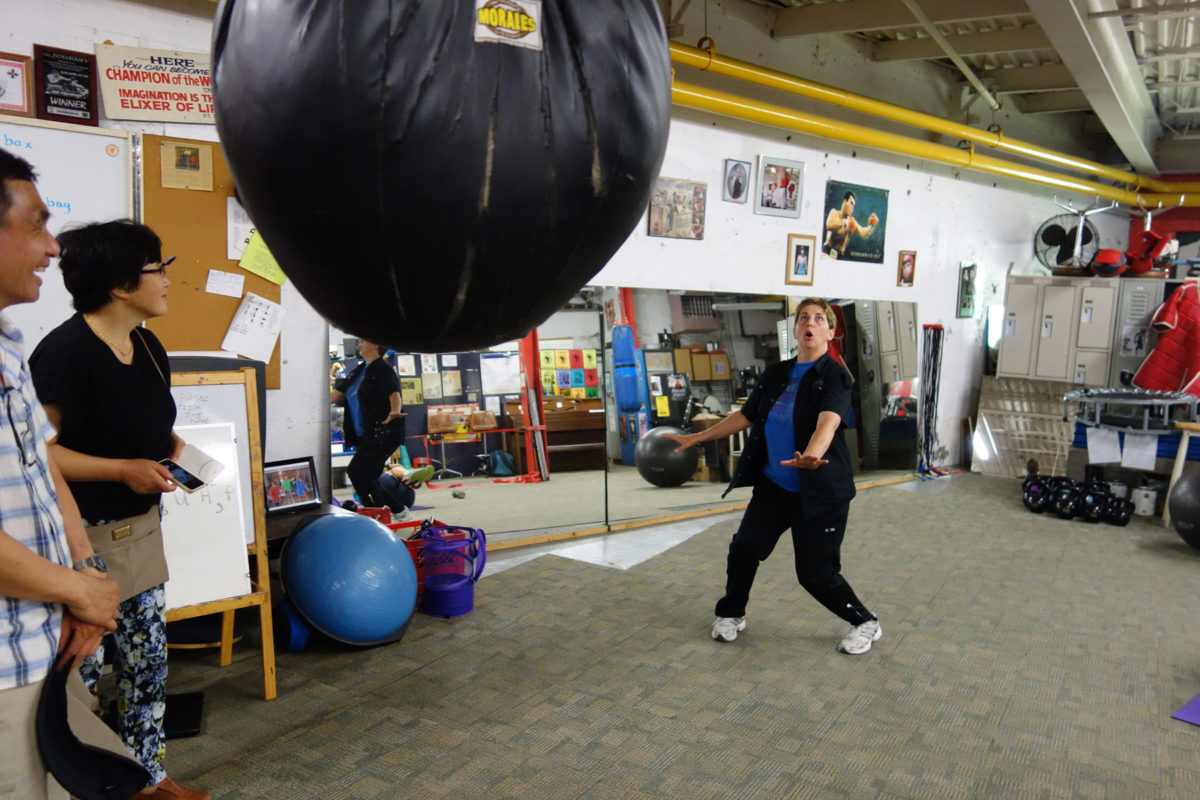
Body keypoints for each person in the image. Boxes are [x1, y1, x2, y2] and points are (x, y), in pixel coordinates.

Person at [29, 219, 211, 800]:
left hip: (142, 532)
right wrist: (119, 470)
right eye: (159, 269)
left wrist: (167, 445)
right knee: (79, 677)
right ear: (119, 285)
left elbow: (145, 418)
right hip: (81, 543)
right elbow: (40, 455)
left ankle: (148, 778)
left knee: (147, 665)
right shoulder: (64, 354)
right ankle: (91, 785)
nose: (167, 281)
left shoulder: (148, 345)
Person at [0, 148, 121, 799]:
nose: (53, 248)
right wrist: (75, 590)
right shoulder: (65, 349)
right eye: (37, 226)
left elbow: (41, 463)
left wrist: (83, 571)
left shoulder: (8, 345)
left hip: (46, 641)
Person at [662, 298, 881, 655]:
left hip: (820, 491)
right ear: (795, 329)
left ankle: (865, 621)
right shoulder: (776, 374)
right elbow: (745, 416)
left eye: (819, 319)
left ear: (830, 332)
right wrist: (697, 437)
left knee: (815, 574)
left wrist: (812, 455)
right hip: (775, 486)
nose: (810, 323)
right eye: (803, 318)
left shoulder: (836, 376)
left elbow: (828, 422)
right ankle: (731, 613)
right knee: (744, 548)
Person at [331, 339, 406, 508]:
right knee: (367, 477)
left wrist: (395, 411)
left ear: (375, 345)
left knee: (358, 473)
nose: (360, 344)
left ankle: (377, 512)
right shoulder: (358, 371)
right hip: (364, 434)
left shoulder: (383, 369)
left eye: (363, 341)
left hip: (382, 433)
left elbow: (394, 394)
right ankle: (397, 510)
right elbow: (335, 396)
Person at [823, 190, 878, 257]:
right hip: (826, 252)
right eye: (851, 203)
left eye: (853, 205)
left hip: (839, 257)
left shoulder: (852, 221)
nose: (852, 207)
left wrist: (872, 226)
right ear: (845, 201)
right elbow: (829, 225)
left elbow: (863, 233)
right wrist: (844, 223)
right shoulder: (834, 213)